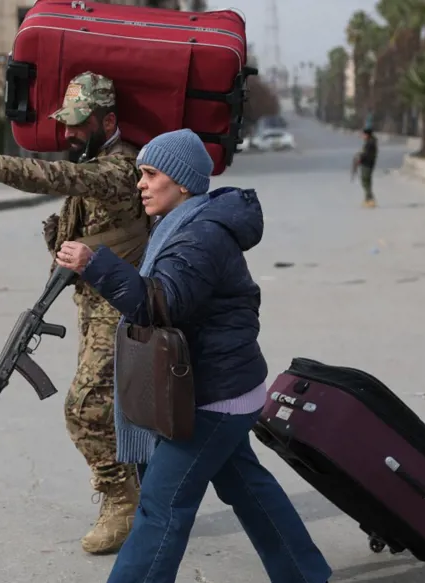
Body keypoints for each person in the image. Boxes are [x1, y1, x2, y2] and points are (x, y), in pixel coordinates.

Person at [54, 129, 332, 583]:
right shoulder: (182, 224)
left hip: (212, 397)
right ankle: (305, 573)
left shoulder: (200, 236)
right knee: (248, 488)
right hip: (222, 388)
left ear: (182, 182)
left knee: (161, 506)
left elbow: (161, 303)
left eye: (150, 174)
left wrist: (95, 264)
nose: (140, 184)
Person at [0, 71, 149, 555]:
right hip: (93, 303)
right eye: (67, 123)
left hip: (120, 306)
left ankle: (122, 500)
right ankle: (147, 493)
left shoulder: (120, 170)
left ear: (108, 121)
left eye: (80, 124)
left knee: (85, 408)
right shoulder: (94, 160)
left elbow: (49, 176)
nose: (70, 132)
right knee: (117, 407)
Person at [354, 127, 378, 208]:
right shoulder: (370, 142)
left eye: (363, 134)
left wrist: (360, 159)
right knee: (366, 181)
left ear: (367, 135)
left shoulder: (370, 143)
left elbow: (367, 155)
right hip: (368, 163)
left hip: (367, 164)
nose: (362, 136)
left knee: (365, 181)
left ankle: (370, 199)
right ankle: (367, 198)